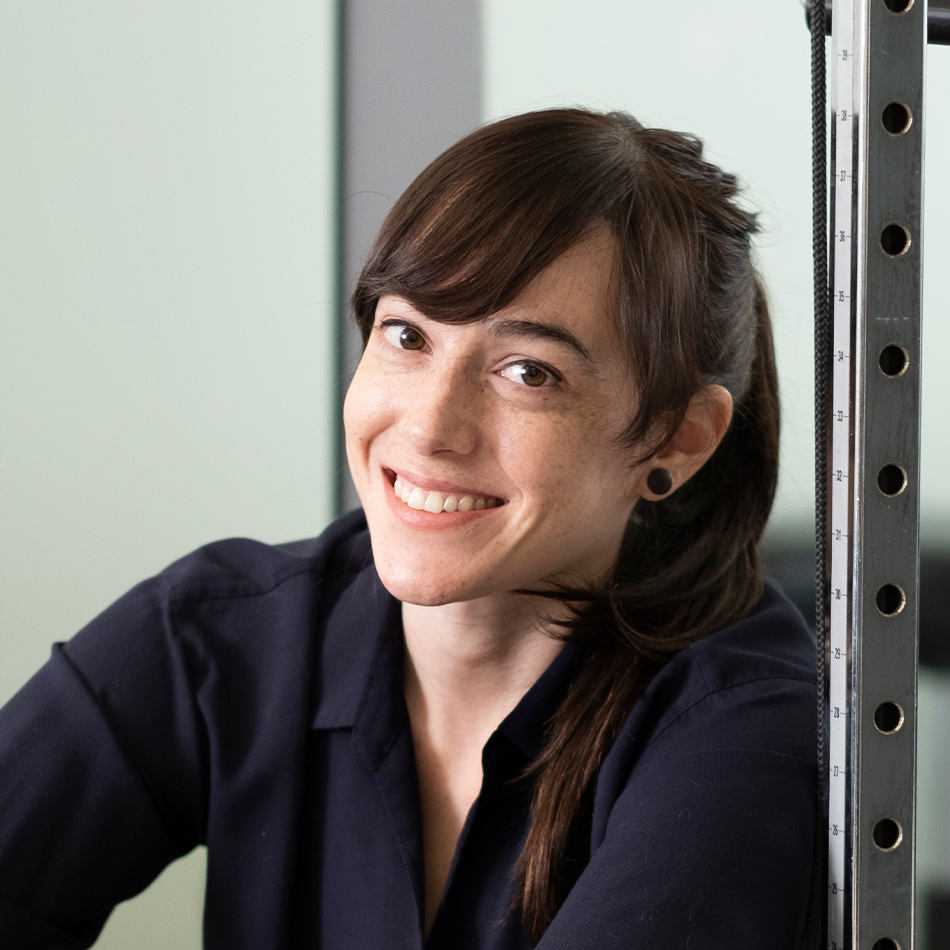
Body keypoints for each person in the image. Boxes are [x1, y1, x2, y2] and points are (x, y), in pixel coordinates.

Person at [0, 109, 816, 949]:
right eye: (407, 335)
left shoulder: (742, 729)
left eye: (528, 372)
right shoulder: (216, 635)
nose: (429, 428)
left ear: (678, 438)